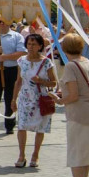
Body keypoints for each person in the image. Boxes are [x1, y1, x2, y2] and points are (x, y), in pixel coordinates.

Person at [54, 33, 89, 177]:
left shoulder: (71, 66)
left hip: (77, 113)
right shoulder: (87, 62)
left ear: (65, 48)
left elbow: (73, 95)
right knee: (85, 152)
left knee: (75, 154)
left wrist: (59, 100)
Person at [11, 34, 56, 168]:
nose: (31, 47)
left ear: (40, 46)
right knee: (22, 126)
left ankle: (35, 154)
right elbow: (18, 81)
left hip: (40, 97)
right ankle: (21, 155)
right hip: (25, 97)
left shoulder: (46, 62)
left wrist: (41, 81)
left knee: (40, 127)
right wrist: (13, 99)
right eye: (29, 44)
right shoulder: (21, 60)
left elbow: (53, 83)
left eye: (34, 44)